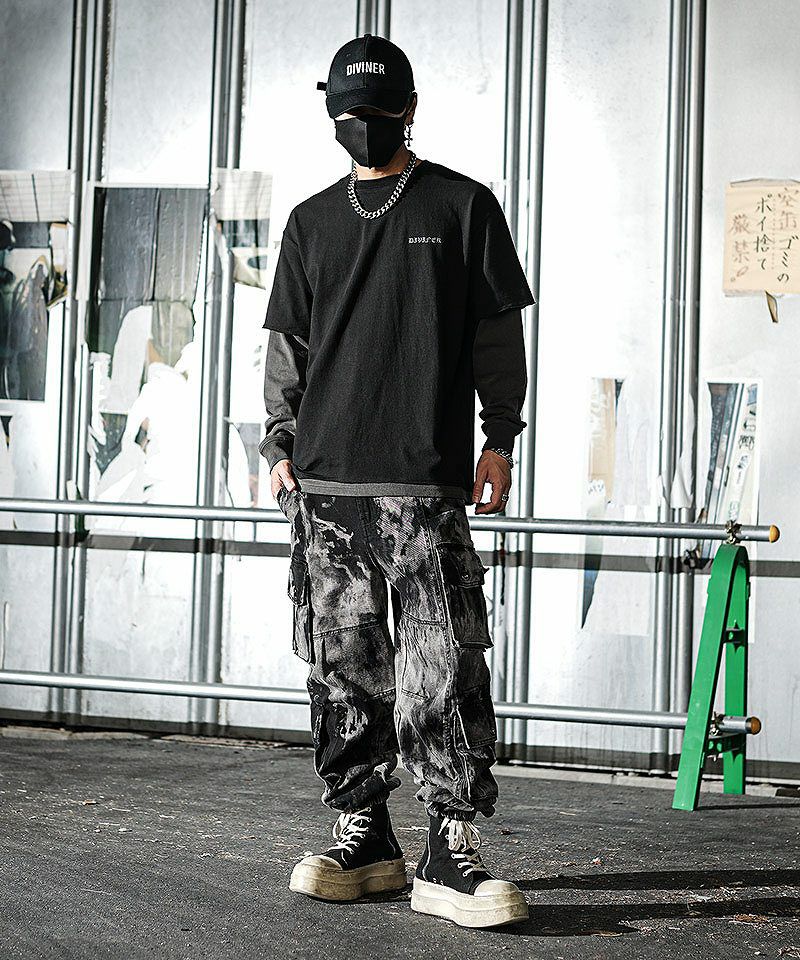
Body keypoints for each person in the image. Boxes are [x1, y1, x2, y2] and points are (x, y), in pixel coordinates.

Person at [260, 32, 535, 929]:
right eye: (349, 113)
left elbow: (498, 335)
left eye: (377, 112)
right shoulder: (310, 222)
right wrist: (278, 444)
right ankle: (365, 834)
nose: (363, 126)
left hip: (424, 486)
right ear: (331, 112)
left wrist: (501, 439)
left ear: (409, 110)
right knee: (342, 670)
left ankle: (449, 848)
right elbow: (289, 349)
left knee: (442, 667)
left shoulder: (462, 206)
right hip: (327, 492)